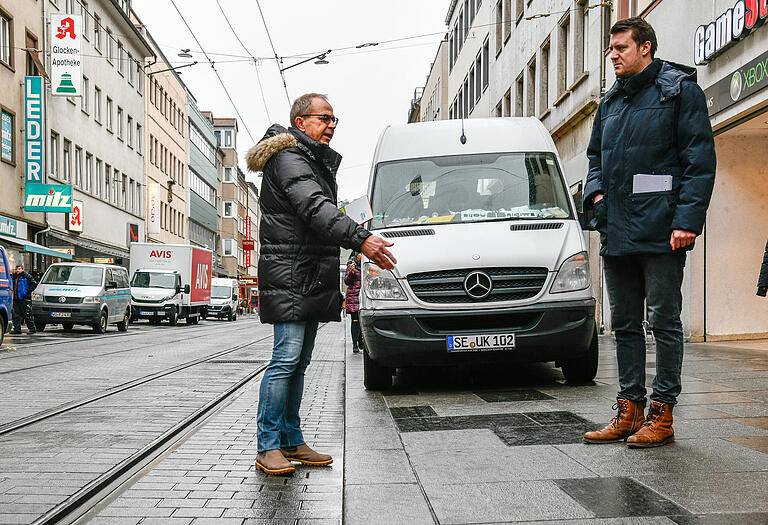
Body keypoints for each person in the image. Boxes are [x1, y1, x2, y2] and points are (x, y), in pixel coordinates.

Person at [246, 93, 397, 475]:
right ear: (300, 122)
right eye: (324, 118)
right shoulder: (289, 157)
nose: (331, 125)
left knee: (298, 362)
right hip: (291, 274)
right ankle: (268, 446)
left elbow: (318, 212)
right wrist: (360, 238)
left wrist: (350, 222)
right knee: (285, 359)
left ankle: (291, 440)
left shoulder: (309, 159)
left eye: (334, 119)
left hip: (307, 273)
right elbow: (314, 208)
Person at [582, 18, 716, 448]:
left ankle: (662, 412)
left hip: (662, 230)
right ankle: (630, 408)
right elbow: (594, 160)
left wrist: (686, 221)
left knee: (663, 320)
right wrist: (598, 197)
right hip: (617, 230)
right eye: (611, 49)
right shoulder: (610, 103)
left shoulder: (680, 92)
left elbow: (699, 162)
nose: (613, 55)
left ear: (646, 48)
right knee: (624, 323)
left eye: (621, 47)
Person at [344, 252, 363, 353]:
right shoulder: (351, 264)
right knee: (355, 321)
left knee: (363, 321)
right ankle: (355, 344)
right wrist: (351, 272)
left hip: (365, 296)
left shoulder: (367, 264)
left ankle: (361, 342)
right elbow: (346, 281)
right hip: (354, 297)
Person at [11, 264, 37, 335]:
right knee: (16, 315)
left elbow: (34, 284)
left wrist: (27, 292)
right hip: (16, 299)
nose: (17, 270)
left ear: (22, 269)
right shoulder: (14, 277)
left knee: (27, 314)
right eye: (16, 269)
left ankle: (32, 329)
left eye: (19, 269)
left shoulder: (27, 276)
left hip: (25, 299)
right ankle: (17, 329)